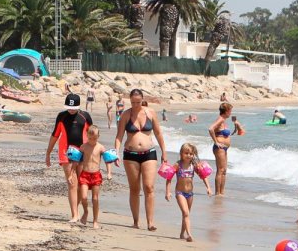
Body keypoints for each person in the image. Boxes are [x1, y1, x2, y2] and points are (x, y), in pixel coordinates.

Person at [114, 89, 168, 231]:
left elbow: (158, 133)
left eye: (138, 102)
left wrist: (164, 152)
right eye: (133, 102)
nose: (136, 105)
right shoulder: (126, 115)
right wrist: (116, 153)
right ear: (129, 101)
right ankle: (136, 221)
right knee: (134, 188)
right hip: (130, 154)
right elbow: (119, 136)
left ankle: (150, 222)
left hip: (149, 153)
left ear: (143, 99)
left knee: (149, 187)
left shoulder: (150, 113)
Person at [45, 91, 93, 222]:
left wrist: (94, 152)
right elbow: (55, 135)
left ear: (78, 107)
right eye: (69, 108)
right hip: (66, 152)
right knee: (72, 183)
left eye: (74, 108)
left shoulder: (85, 116)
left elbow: (93, 134)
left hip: (83, 152)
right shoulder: (61, 116)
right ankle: (74, 215)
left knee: (81, 184)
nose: (71, 110)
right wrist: (48, 153)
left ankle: (77, 210)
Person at [166, 142, 211, 241]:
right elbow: (169, 178)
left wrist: (208, 187)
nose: (188, 155)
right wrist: (168, 192)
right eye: (186, 153)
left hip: (190, 194)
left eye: (191, 154)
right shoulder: (178, 165)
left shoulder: (194, 166)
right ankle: (189, 234)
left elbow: (203, 176)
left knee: (186, 215)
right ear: (181, 153)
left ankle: (182, 234)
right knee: (186, 213)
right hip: (180, 193)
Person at [76, 126, 110, 228]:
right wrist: (72, 173)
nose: (92, 141)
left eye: (94, 139)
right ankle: (86, 212)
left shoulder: (100, 147)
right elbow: (76, 161)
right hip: (85, 174)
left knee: (95, 199)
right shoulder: (83, 147)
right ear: (87, 136)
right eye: (90, 138)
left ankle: (95, 220)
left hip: (96, 175)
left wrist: (109, 173)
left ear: (98, 137)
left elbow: (107, 160)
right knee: (84, 197)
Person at [209, 103, 236, 196]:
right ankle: (217, 193)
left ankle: (222, 192)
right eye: (230, 111)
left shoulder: (224, 120)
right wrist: (216, 141)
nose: (231, 113)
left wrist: (236, 128)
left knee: (224, 170)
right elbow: (210, 129)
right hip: (219, 148)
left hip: (224, 148)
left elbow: (225, 134)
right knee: (220, 170)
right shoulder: (220, 119)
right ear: (226, 111)